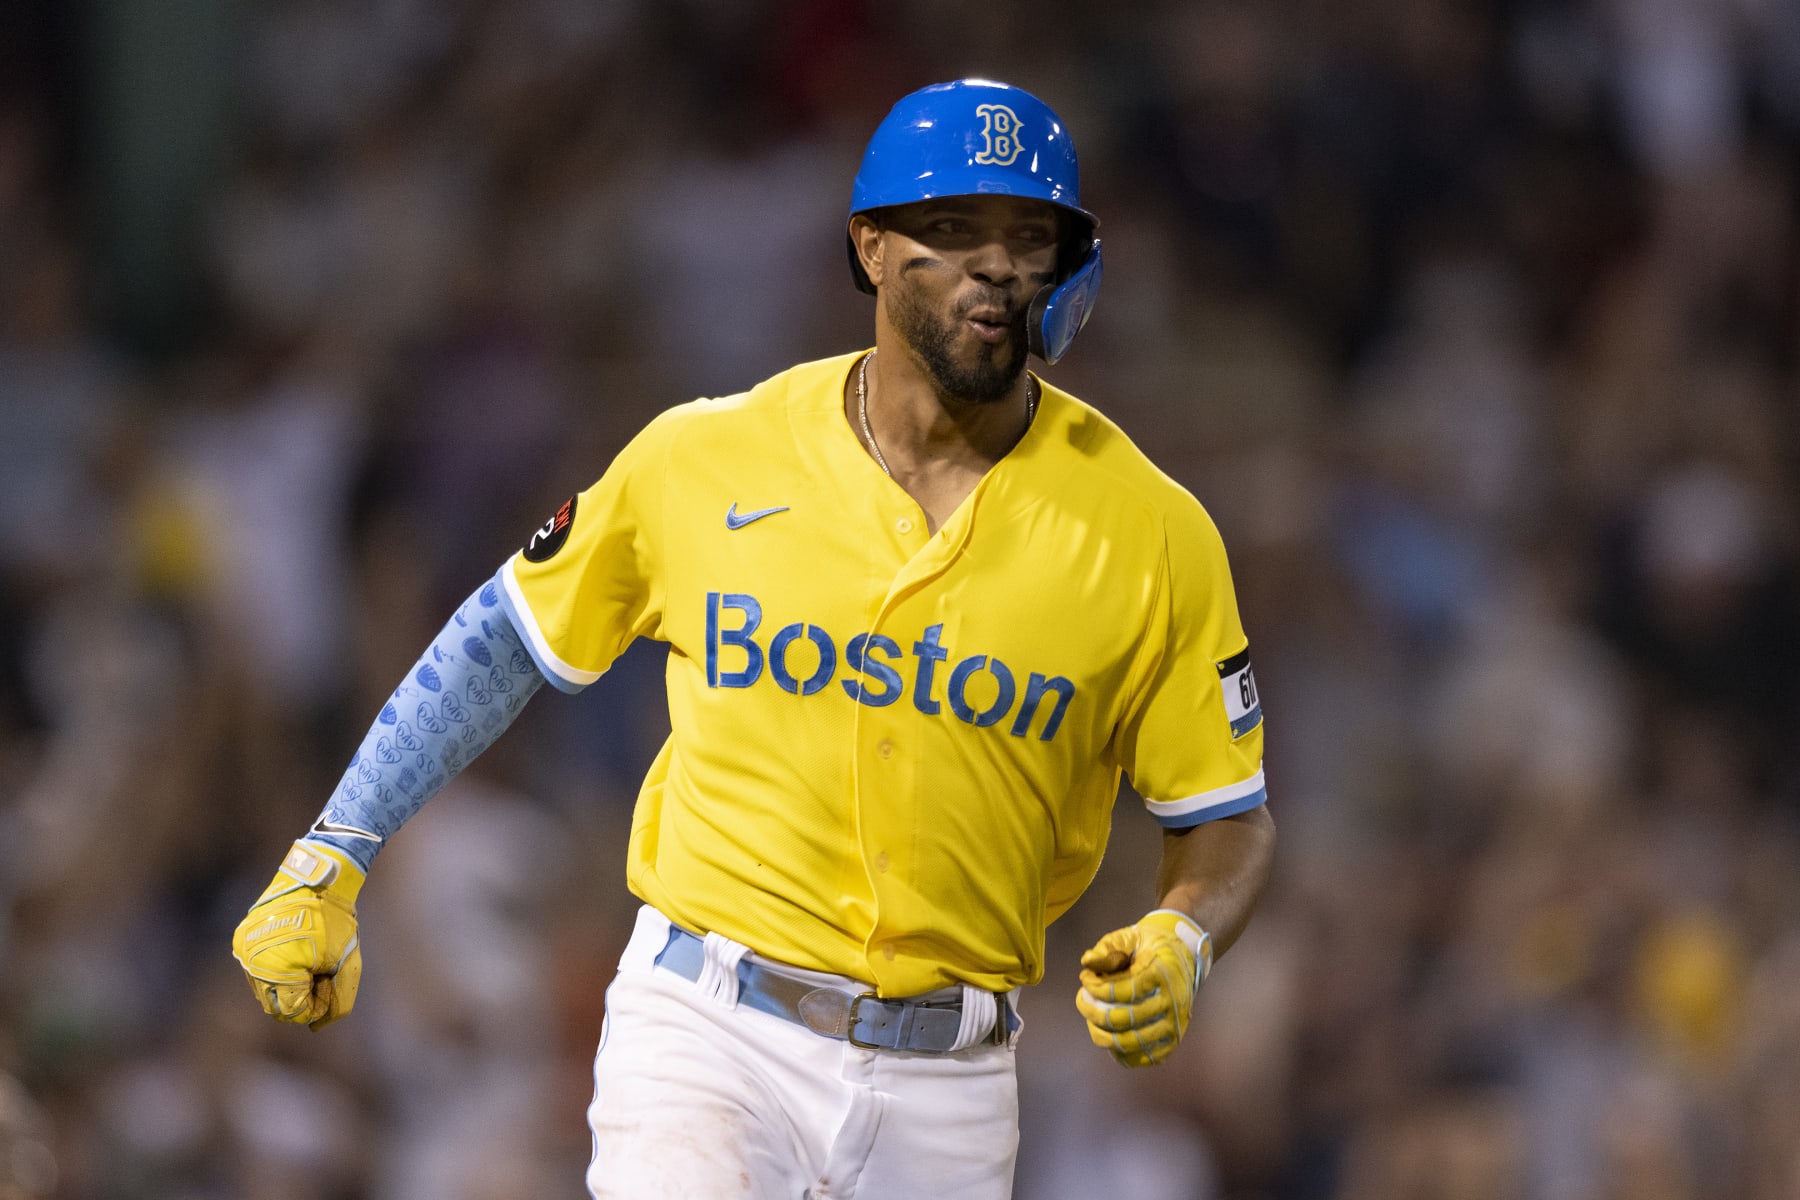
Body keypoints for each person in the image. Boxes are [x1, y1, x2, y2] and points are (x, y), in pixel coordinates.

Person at [232, 78, 1277, 1199]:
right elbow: (503, 640)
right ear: (869, 248)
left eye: (1031, 236)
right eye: (950, 228)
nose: (995, 266)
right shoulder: (705, 458)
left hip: (952, 1087)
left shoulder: (1153, 534)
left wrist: (1185, 936)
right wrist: (332, 851)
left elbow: (1223, 817)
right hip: (708, 1032)